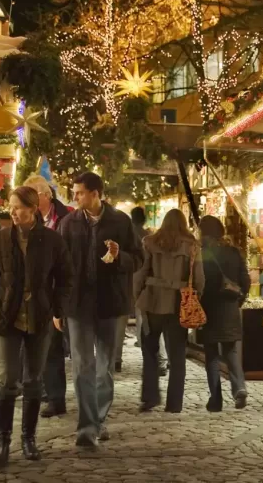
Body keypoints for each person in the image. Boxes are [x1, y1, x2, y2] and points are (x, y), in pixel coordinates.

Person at [0, 186, 73, 466]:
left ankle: (28, 439)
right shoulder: (0, 239)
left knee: (34, 380)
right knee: (7, 380)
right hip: (7, 318)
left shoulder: (52, 241)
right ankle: (3, 440)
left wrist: (57, 307)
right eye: (11, 206)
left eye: (18, 207)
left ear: (33, 209)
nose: (13, 211)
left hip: (39, 319)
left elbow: (66, 277)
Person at [58, 172, 143, 447]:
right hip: (78, 305)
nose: (75, 197)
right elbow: (58, 267)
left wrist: (121, 257)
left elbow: (139, 260)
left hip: (110, 304)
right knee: (82, 365)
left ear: (96, 194)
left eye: (80, 193)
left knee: (105, 366)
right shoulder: (68, 224)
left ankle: (99, 419)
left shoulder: (120, 222)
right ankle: (86, 427)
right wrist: (57, 307)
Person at [134, 209, 204, 413]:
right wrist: (195, 298)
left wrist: (138, 297)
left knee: (149, 351)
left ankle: (150, 397)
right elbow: (200, 279)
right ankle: (174, 403)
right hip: (179, 305)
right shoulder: (192, 246)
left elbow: (140, 274)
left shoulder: (149, 242)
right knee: (177, 356)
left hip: (152, 302)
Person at [23, 175, 73, 418]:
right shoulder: (25, 219)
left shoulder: (67, 217)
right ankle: (39, 390)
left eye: (31, 194)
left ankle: (55, 398)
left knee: (53, 347)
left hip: (57, 291)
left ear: (45, 195)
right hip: (31, 293)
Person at [198, 216, 250, 412]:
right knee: (231, 351)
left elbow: (200, 282)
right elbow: (245, 280)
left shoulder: (203, 253)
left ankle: (216, 399)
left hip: (209, 307)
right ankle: (239, 388)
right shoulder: (233, 252)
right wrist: (238, 300)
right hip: (230, 307)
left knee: (211, 355)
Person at [130, 206, 168, 376]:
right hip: (164, 292)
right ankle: (162, 361)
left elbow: (140, 271)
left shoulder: (137, 238)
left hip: (145, 289)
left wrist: (136, 292)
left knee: (145, 325)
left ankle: (153, 363)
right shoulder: (151, 237)